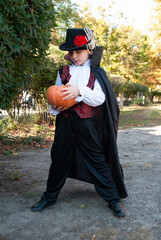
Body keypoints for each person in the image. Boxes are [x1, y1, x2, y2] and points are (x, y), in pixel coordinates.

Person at [31, 27, 128, 218]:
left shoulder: (96, 72)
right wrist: (55, 107)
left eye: (79, 51)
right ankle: (49, 197)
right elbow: (56, 95)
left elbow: (100, 98)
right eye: (71, 52)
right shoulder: (63, 71)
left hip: (87, 124)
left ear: (90, 49)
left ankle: (112, 198)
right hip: (65, 124)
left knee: (98, 160)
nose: (74, 56)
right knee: (58, 159)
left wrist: (79, 91)